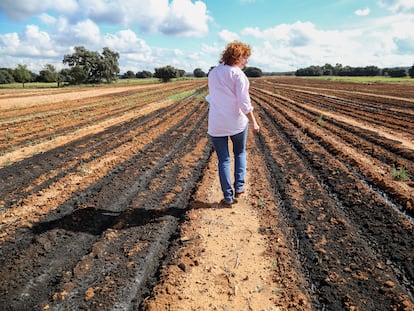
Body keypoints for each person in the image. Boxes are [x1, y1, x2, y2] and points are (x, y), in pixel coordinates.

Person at [206, 41, 260, 206]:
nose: (246, 61)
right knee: (240, 153)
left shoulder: (213, 73)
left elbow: (212, 96)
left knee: (223, 160)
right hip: (236, 122)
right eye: (245, 57)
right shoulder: (238, 75)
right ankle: (239, 187)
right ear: (237, 57)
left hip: (216, 123)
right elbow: (244, 103)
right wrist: (254, 122)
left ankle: (228, 197)